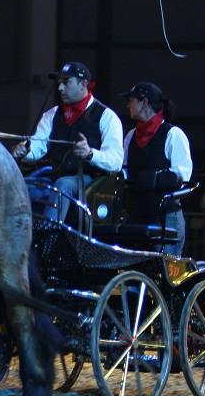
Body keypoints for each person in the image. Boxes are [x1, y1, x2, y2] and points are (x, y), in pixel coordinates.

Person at [11, 61, 124, 223]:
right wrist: (25, 151)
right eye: (59, 83)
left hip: (90, 180)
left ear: (83, 84)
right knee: (19, 186)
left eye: (66, 83)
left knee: (63, 184)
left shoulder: (107, 116)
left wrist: (90, 154)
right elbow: (38, 146)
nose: (60, 88)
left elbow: (116, 161)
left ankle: (49, 234)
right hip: (55, 177)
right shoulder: (52, 115)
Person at [119, 81, 193, 257]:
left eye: (131, 100)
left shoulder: (173, 134)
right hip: (135, 214)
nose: (128, 104)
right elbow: (124, 171)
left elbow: (183, 174)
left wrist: (155, 178)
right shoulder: (130, 136)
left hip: (165, 217)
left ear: (144, 102)